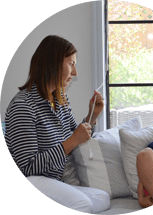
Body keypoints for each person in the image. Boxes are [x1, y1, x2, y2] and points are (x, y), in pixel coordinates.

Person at [5, 35, 109, 213]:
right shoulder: (23, 106)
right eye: (71, 64)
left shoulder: (59, 99)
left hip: (53, 181)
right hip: (32, 179)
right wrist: (72, 141)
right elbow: (27, 166)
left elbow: (75, 135)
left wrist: (92, 116)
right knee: (83, 205)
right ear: (52, 64)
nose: (75, 72)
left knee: (103, 198)